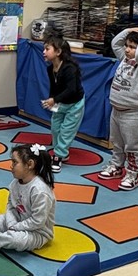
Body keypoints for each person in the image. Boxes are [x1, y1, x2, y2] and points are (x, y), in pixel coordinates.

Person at [99, 27, 138, 190]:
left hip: (134, 114)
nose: (127, 49)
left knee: (132, 147)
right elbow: (114, 43)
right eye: (127, 45)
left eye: (132, 47)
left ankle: (133, 174)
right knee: (117, 143)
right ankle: (116, 166)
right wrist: (129, 30)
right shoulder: (125, 59)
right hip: (116, 111)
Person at [41, 30, 85, 174]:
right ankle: (62, 152)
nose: (44, 52)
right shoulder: (50, 69)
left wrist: (54, 100)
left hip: (74, 104)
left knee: (67, 131)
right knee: (55, 128)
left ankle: (58, 156)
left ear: (58, 51)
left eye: (47, 49)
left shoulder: (69, 69)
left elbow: (71, 90)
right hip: (61, 103)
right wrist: (50, 101)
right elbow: (54, 87)